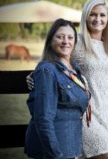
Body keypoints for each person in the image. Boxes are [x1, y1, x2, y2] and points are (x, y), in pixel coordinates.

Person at [26, 0, 108, 159]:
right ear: (85, 16)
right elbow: (54, 59)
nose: (98, 19)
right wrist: (34, 75)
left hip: (104, 115)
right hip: (85, 116)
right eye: (93, 14)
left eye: (102, 15)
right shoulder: (76, 41)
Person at [24, 18, 90, 159]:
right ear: (50, 40)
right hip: (53, 151)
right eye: (60, 37)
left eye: (70, 37)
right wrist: (55, 155)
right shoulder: (47, 71)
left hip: (70, 146)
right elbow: (43, 119)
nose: (66, 41)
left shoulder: (74, 70)